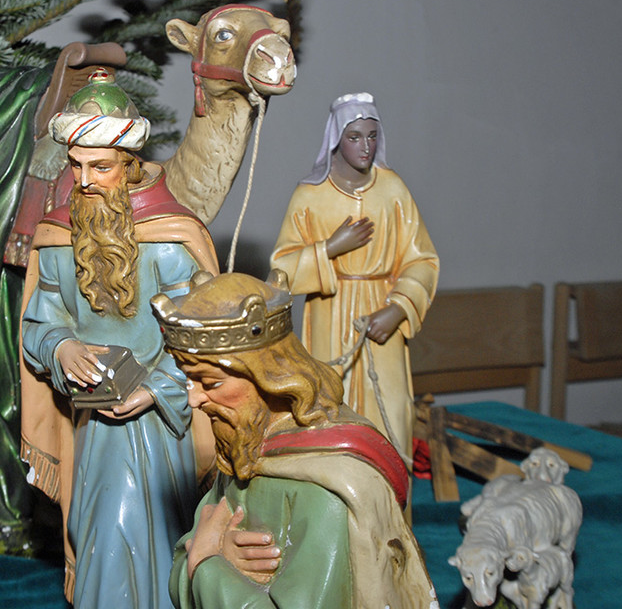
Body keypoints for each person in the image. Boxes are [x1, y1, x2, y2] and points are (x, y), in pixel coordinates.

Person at [19, 69, 217, 608]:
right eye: (76, 165)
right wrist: (63, 347)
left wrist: (154, 388)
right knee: (94, 526)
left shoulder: (168, 241)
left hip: (159, 428)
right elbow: (39, 323)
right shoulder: (60, 239)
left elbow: (198, 337)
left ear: (129, 165)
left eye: (101, 167)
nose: (84, 180)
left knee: (137, 530)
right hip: (91, 424)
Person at [151, 270, 438, 609]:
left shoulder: (324, 487)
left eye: (210, 383)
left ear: (270, 376)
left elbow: (198, 555)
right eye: (188, 381)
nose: (193, 399)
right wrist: (214, 553)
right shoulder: (243, 443)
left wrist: (207, 566)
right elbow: (189, 552)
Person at [270, 92, 438, 466]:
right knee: (331, 414)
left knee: (390, 413)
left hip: (382, 316)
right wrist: (330, 247)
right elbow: (281, 270)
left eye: (372, 136)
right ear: (337, 139)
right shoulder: (310, 195)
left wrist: (398, 308)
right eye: (355, 137)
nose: (365, 146)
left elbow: (423, 260)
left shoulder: (393, 190)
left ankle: (391, 499)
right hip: (330, 318)